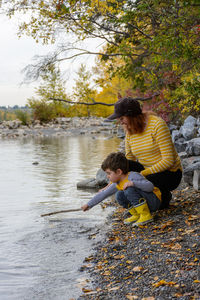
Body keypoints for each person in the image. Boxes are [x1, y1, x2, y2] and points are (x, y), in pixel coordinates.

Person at [107, 97, 183, 209]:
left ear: (132, 115)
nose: (120, 121)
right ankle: (145, 197)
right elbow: (130, 159)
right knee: (125, 164)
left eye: (122, 118)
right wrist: (114, 181)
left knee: (138, 183)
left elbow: (168, 160)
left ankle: (163, 197)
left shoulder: (157, 125)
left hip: (170, 173)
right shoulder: (129, 129)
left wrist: (142, 175)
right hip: (146, 171)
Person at [81, 152, 161, 226]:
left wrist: (133, 183)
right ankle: (137, 214)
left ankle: (145, 215)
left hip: (154, 201)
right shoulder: (117, 183)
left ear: (119, 172)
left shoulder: (133, 176)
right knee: (119, 195)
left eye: (109, 173)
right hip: (145, 203)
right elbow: (104, 194)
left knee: (129, 189)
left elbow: (150, 187)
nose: (107, 176)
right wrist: (88, 205)